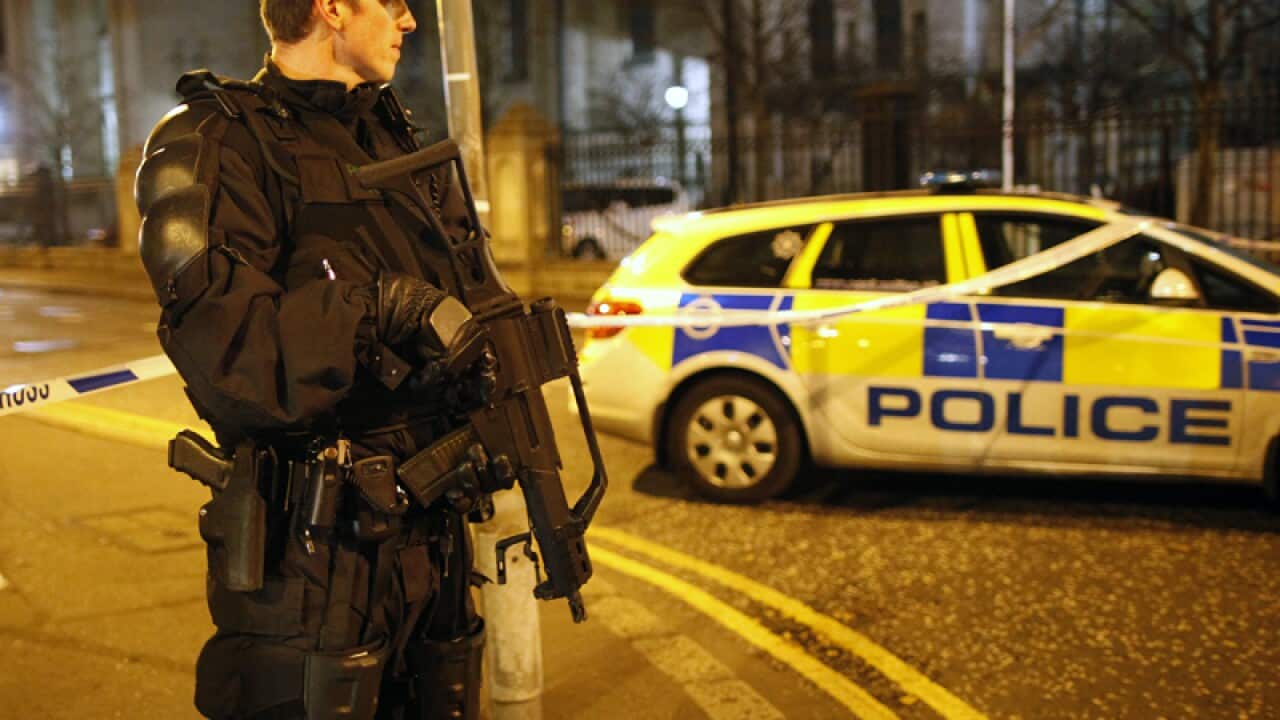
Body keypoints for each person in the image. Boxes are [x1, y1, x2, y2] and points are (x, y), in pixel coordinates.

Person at [134, 1, 498, 717]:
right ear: (332, 7)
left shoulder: (392, 137)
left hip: (431, 544)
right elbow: (233, 357)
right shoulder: (211, 142)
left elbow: (467, 292)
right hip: (312, 562)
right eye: (393, 3)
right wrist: (375, 308)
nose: (409, 21)